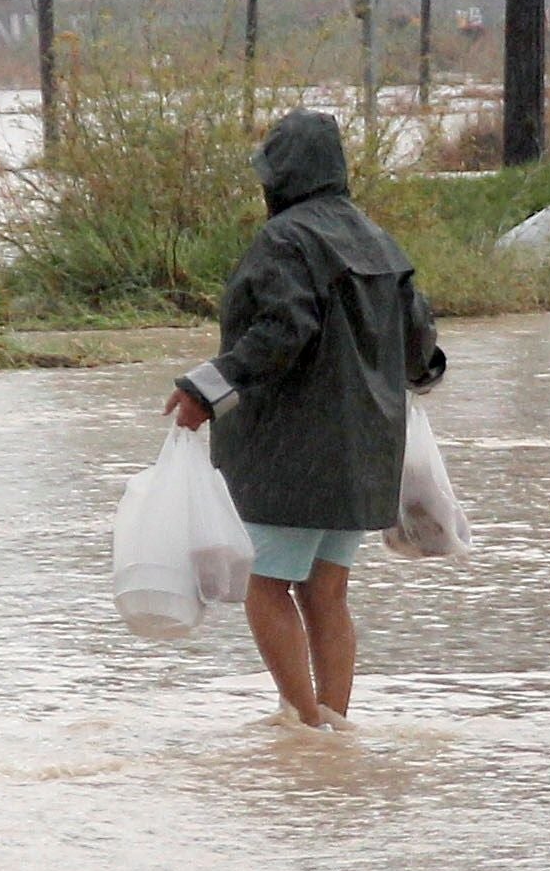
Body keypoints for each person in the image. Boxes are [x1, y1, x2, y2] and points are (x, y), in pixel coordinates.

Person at [166, 110, 444, 731]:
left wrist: (203, 390)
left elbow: (282, 331)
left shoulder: (285, 241)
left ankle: (303, 727)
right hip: (365, 455)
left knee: (267, 586)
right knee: (327, 592)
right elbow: (421, 347)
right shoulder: (379, 241)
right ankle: (334, 728)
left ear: (282, 176)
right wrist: (422, 376)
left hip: (291, 454)